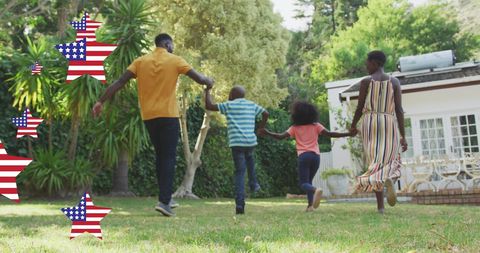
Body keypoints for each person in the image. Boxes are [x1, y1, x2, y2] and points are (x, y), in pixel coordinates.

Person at [92, 33, 214, 217]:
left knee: (161, 157)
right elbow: (200, 79)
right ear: (166, 43)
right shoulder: (175, 60)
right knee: (168, 158)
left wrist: (100, 101)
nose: (173, 47)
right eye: (171, 44)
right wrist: (209, 82)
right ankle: (164, 201)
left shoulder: (141, 61)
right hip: (168, 115)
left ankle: (165, 197)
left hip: (149, 117)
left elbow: (120, 82)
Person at [261, 101, 354, 212]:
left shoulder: (295, 128)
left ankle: (315, 190)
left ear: (296, 115)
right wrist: (348, 134)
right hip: (316, 157)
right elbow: (330, 134)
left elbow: (280, 136)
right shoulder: (316, 126)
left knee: (303, 183)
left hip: (304, 156)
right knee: (308, 181)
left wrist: (268, 132)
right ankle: (310, 206)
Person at [349, 50, 408, 214]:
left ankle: (381, 207)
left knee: (374, 162)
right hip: (389, 121)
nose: (366, 66)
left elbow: (360, 108)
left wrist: (353, 125)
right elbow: (399, 110)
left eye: (367, 63)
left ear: (374, 63)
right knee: (392, 159)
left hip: (371, 122)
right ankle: (391, 180)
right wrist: (403, 136)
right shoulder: (395, 82)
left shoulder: (366, 81)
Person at [204, 85, 269, 215]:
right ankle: (254, 184)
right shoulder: (251, 105)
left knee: (240, 172)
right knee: (250, 162)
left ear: (232, 95)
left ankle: (240, 204)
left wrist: (207, 91)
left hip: (236, 143)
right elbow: (265, 113)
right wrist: (261, 128)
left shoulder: (229, 105)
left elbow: (209, 106)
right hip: (250, 141)